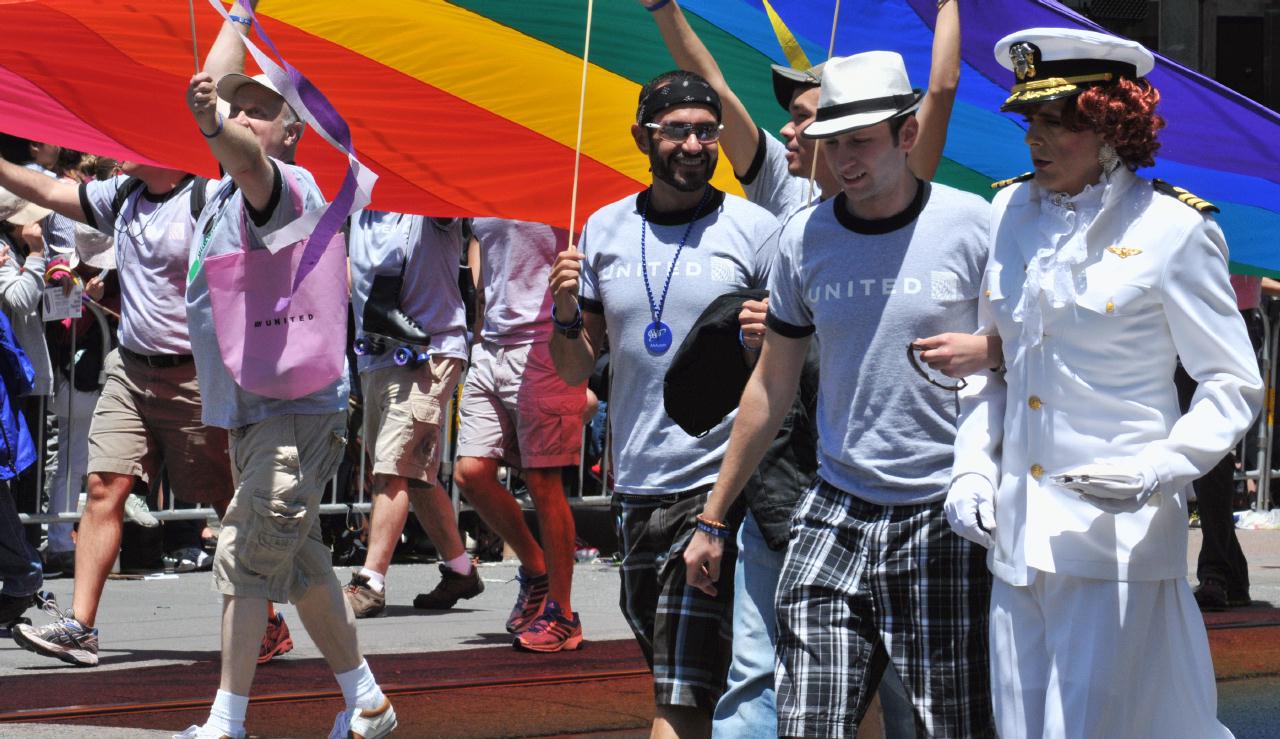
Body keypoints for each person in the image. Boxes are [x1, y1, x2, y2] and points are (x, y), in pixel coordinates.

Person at [645, 2, 978, 735]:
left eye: (862, 141)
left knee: (936, 720)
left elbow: (1041, 343)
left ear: (908, 135)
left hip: (940, 514)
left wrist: (995, 349)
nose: (845, 158)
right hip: (827, 504)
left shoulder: (972, 225)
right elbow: (769, 387)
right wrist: (711, 517)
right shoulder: (802, 235)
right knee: (802, 713)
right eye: (833, 140)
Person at [946, 28, 1263, 738]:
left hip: (1114, 535)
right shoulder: (1008, 215)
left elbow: (1232, 383)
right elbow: (996, 364)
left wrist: (1160, 468)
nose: (1037, 139)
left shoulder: (1172, 229)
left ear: (1113, 125)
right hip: (1019, 535)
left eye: (1060, 121)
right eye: (1031, 119)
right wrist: (971, 468)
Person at [4, 3, 291, 668]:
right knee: (104, 486)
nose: (115, 144)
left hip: (197, 379)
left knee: (226, 501)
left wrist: (237, 21)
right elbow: (48, 190)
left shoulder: (212, 194)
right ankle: (81, 625)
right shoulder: (123, 197)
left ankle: (269, 619)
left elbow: (215, 100)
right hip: (131, 372)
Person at [173, 6, 395, 738]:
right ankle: (367, 700)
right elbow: (218, 96)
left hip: (291, 408)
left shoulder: (282, 187)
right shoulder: (236, 187)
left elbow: (238, 150)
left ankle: (226, 722)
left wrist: (213, 121)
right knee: (299, 563)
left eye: (260, 111)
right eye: (238, 108)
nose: (241, 116)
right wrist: (236, 16)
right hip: (263, 407)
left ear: (293, 131)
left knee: (243, 558)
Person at [550, 70, 780, 738]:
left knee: (677, 696)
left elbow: (788, 362)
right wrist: (565, 314)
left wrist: (763, 341)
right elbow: (575, 369)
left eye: (706, 131)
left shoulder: (754, 229)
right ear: (642, 138)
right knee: (697, 684)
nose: (693, 144)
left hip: (719, 491)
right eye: (676, 130)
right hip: (637, 489)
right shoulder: (602, 228)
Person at [454, 218, 588, 652]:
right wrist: (478, 333)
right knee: (470, 473)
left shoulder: (563, 175)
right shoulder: (485, 183)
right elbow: (484, 260)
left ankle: (563, 613)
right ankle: (535, 567)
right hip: (490, 347)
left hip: (545, 345)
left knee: (544, 483)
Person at [343, 209, 478, 618]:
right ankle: (460, 570)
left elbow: (447, 193)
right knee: (415, 475)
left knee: (393, 467)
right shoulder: (358, 209)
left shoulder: (427, 209)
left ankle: (370, 583)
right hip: (375, 356)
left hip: (429, 353)